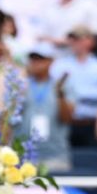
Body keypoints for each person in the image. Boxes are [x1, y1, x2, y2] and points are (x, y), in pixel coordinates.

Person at [19, 43, 74, 171]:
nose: (35, 63)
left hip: (55, 157)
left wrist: (60, 94)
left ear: (51, 61)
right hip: (23, 156)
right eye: (33, 59)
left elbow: (67, 118)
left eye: (40, 59)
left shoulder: (62, 85)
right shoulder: (20, 85)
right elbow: (9, 119)